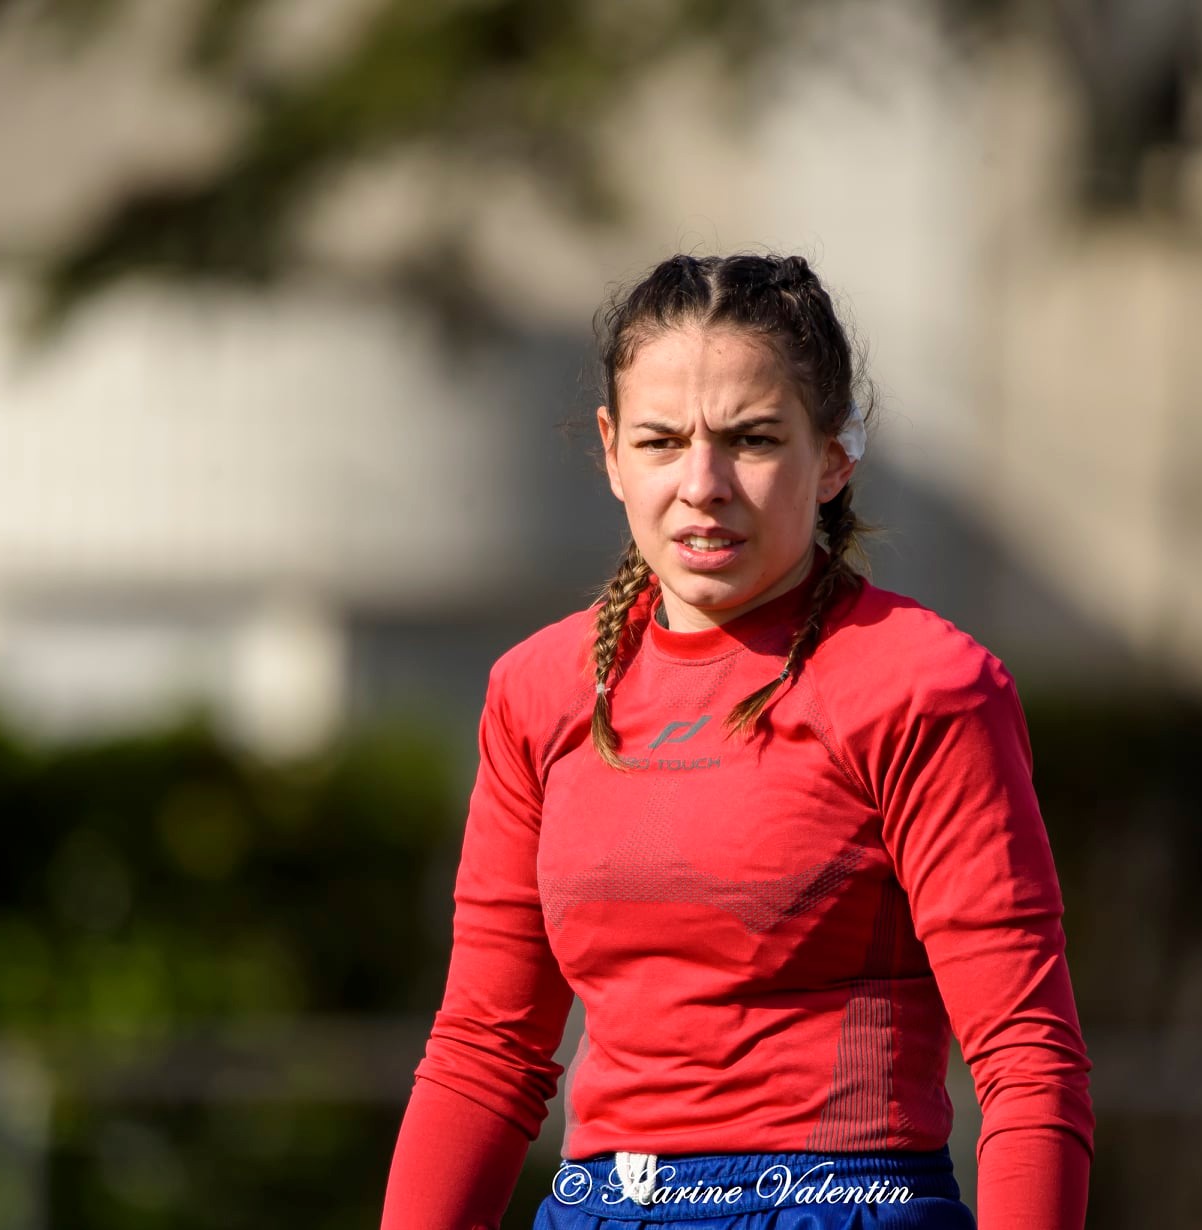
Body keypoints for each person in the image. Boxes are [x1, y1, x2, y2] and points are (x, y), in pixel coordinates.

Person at [379, 253, 1093, 1229]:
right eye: (662, 440)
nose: (702, 484)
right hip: (602, 1206)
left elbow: (1026, 1059)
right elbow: (484, 1053)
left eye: (752, 439)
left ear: (835, 455)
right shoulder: (536, 690)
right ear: (612, 451)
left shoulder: (923, 686)